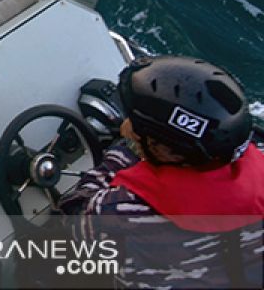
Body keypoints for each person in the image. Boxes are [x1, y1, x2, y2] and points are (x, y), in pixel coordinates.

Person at [57, 55, 263, 288]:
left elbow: (73, 214)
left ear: (167, 152)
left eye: (136, 123)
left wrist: (125, 151)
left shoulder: (125, 210)